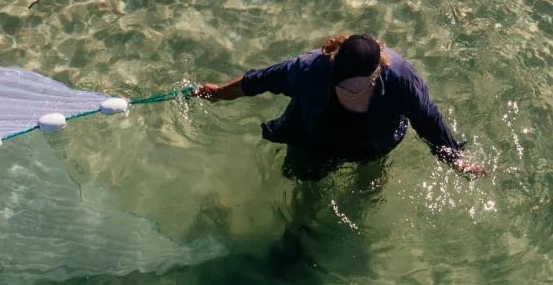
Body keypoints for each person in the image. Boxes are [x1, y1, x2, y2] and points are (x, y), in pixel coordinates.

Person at [196, 33, 486, 181]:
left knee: (369, 185)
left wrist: (455, 159)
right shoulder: (311, 69)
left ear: (376, 75)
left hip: (373, 143)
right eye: (339, 83)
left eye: (353, 88)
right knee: (302, 182)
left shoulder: (400, 80)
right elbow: (259, 81)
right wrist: (218, 93)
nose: (344, 92)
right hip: (315, 138)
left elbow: (428, 120)